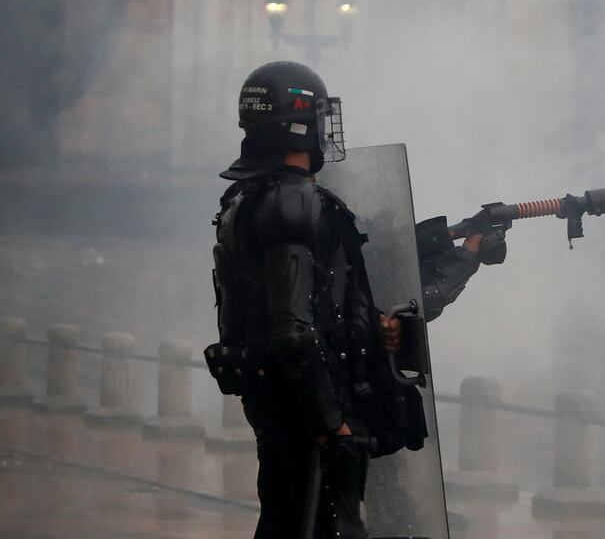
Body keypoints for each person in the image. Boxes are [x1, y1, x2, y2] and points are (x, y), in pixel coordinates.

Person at [207, 61, 502, 538]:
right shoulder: (293, 200)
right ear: (302, 123)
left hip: (281, 405)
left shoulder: (246, 198)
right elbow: (292, 328)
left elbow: (317, 306)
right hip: (313, 414)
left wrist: (375, 328)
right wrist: (333, 426)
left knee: (287, 520)